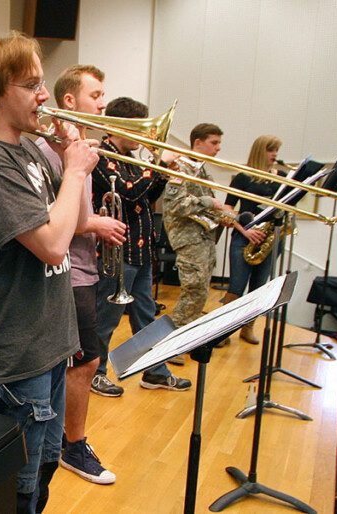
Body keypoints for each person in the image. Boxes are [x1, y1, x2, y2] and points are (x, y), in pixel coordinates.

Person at [0, 32, 98, 512]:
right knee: (17, 485)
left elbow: (75, 222)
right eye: (31, 84)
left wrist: (72, 156)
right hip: (17, 352)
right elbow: (54, 247)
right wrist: (73, 171)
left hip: (51, 341)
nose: (44, 95)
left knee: (45, 467)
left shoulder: (31, 150)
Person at [34, 64, 124, 486]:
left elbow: (80, 212)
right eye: (96, 95)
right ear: (69, 101)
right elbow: (55, 220)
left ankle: (66, 442)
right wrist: (96, 225)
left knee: (85, 362)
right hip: (66, 273)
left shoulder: (80, 147)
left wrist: (95, 221)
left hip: (85, 268)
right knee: (81, 362)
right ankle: (71, 445)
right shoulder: (52, 151)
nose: (103, 103)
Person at [92, 97, 191, 392]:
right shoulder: (100, 156)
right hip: (117, 251)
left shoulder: (133, 161)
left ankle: (156, 371)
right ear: (114, 126)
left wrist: (161, 174)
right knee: (105, 318)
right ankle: (95, 372)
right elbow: (129, 192)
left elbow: (145, 198)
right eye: (136, 128)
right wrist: (158, 166)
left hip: (141, 250)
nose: (143, 136)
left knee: (147, 316)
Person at [162, 124, 236, 345]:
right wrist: (208, 202)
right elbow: (175, 206)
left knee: (201, 291)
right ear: (197, 142)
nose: (218, 148)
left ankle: (186, 337)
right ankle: (173, 342)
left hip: (203, 237)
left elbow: (205, 208)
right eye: (214, 142)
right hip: (188, 239)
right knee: (194, 291)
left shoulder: (201, 170)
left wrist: (226, 216)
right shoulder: (181, 168)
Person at [222, 134, 285, 344]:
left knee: (259, 287)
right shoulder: (243, 177)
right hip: (244, 237)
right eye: (270, 150)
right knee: (236, 286)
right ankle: (222, 331)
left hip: (269, 239)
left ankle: (248, 328)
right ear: (260, 151)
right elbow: (228, 208)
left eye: (276, 150)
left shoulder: (282, 178)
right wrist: (245, 229)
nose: (274, 155)